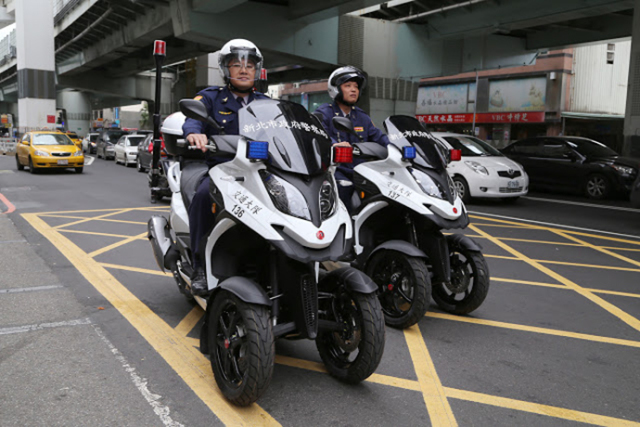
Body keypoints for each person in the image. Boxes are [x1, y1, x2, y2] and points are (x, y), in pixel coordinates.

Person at [182, 39, 269, 295]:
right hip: (224, 171)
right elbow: (193, 120)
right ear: (226, 70)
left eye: (249, 66)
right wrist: (193, 134)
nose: (244, 70)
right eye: (236, 64)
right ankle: (199, 266)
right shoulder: (211, 98)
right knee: (202, 197)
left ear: (257, 71)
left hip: (260, 173)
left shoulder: (266, 103)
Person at [314, 66, 389, 213]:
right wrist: (335, 145)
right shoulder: (324, 113)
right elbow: (319, 137)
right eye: (348, 86)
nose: (353, 90)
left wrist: (398, 147)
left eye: (356, 86)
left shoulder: (362, 117)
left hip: (362, 171)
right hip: (336, 171)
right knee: (344, 187)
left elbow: (380, 138)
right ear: (336, 89)